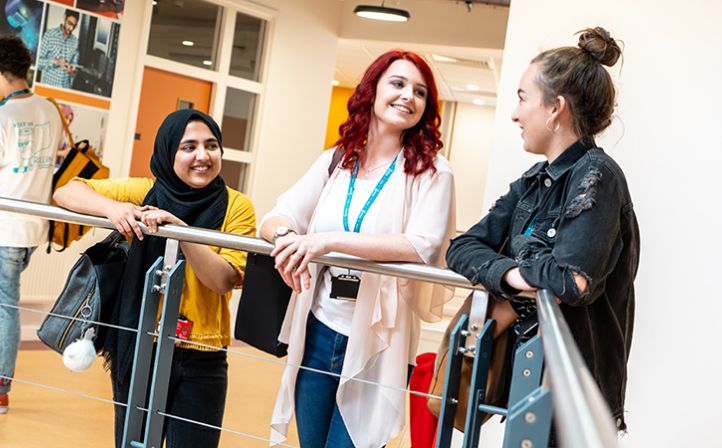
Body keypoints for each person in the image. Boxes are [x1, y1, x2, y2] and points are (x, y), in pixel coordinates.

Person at [446, 27, 639, 443]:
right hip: (527, 379)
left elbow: (571, 280)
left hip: (572, 392)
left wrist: (508, 271)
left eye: (522, 98)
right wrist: (515, 277)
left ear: (556, 109)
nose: (515, 114)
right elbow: (461, 247)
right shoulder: (535, 181)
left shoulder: (597, 177)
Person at [260, 50, 456, 448]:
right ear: (372, 90)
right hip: (318, 328)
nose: (408, 97)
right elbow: (276, 216)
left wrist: (327, 242)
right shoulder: (338, 160)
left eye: (420, 92)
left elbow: (422, 245)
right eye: (398, 84)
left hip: (378, 339)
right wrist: (287, 241)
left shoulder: (433, 171)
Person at [53, 109, 256, 447]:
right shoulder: (147, 192)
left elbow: (222, 281)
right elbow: (66, 192)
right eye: (188, 147)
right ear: (167, 152)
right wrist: (113, 210)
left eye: (212, 145)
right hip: (141, 343)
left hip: (202, 352)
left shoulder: (237, 206)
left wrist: (182, 233)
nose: (203, 156)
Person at [0, 34, 63, 415]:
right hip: (33, 228)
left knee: (5, 307)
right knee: (5, 304)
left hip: (6, 226)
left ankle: (1, 387)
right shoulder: (50, 109)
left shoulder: (5, 115)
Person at [37, 9, 79, 89]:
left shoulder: (75, 42)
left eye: (74, 26)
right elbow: (38, 63)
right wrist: (56, 61)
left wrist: (72, 70)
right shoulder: (49, 35)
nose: (71, 28)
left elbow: (75, 70)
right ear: (64, 16)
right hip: (49, 87)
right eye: (70, 23)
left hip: (66, 89)